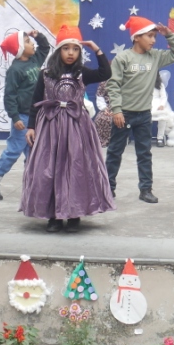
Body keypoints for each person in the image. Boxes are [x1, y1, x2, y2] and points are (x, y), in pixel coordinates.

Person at [21, 25, 114, 233]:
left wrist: (97, 49)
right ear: (58, 51)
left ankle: (74, 214)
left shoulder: (82, 73)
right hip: (51, 126)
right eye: (66, 48)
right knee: (50, 169)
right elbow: (36, 100)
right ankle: (53, 215)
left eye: (75, 49)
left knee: (76, 168)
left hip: (76, 126)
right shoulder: (46, 74)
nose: (71, 53)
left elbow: (105, 72)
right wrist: (31, 126)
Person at [105, 16, 174, 203]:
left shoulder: (155, 56)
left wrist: (169, 35)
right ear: (136, 37)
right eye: (149, 36)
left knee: (144, 153)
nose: (153, 40)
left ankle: (146, 189)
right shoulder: (123, 58)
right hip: (123, 115)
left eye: (154, 36)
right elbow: (113, 85)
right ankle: (107, 188)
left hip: (143, 115)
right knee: (115, 152)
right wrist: (117, 110)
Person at [0, 30, 50, 200]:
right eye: (27, 41)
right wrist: (15, 117)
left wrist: (37, 36)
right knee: (14, 150)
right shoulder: (15, 70)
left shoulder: (35, 60)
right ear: (20, 48)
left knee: (34, 151)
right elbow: (9, 96)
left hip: (35, 116)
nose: (32, 44)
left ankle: (32, 183)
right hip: (22, 117)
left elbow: (45, 47)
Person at [151, 71, 174, 147]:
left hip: (158, 104)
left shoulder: (160, 85)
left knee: (162, 117)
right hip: (148, 104)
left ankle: (160, 138)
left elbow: (163, 97)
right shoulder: (144, 84)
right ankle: (146, 137)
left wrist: (162, 105)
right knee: (146, 119)